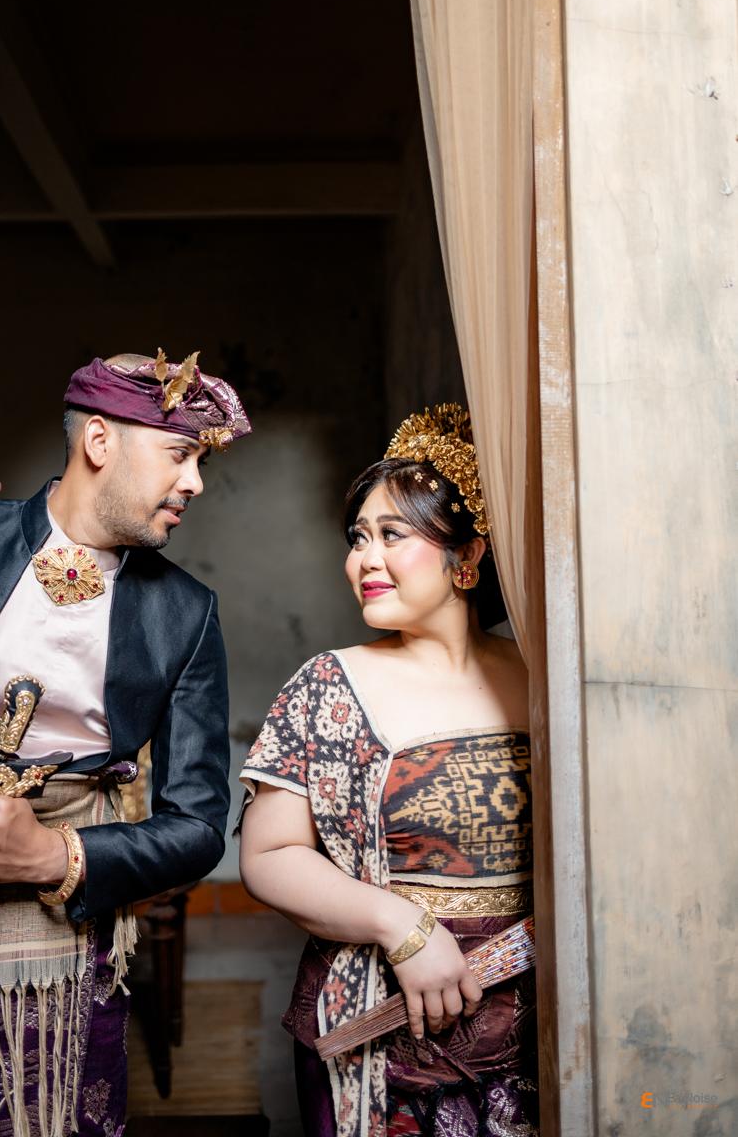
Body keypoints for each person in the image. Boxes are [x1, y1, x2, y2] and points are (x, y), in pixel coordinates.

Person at [239, 405, 537, 1137]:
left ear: (466, 555)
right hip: (381, 1036)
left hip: (539, 1032)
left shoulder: (544, 678)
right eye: (357, 538)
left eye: (391, 535)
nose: (363, 560)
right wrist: (403, 927)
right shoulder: (326, 687)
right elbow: (269, 856)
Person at [0, 348, 251, 1137]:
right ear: (99, 441)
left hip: (67, 925)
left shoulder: (185, 614)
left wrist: (53, 856)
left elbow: (198, 826)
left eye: (200, 462)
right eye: (178, 454)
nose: (195, 483)